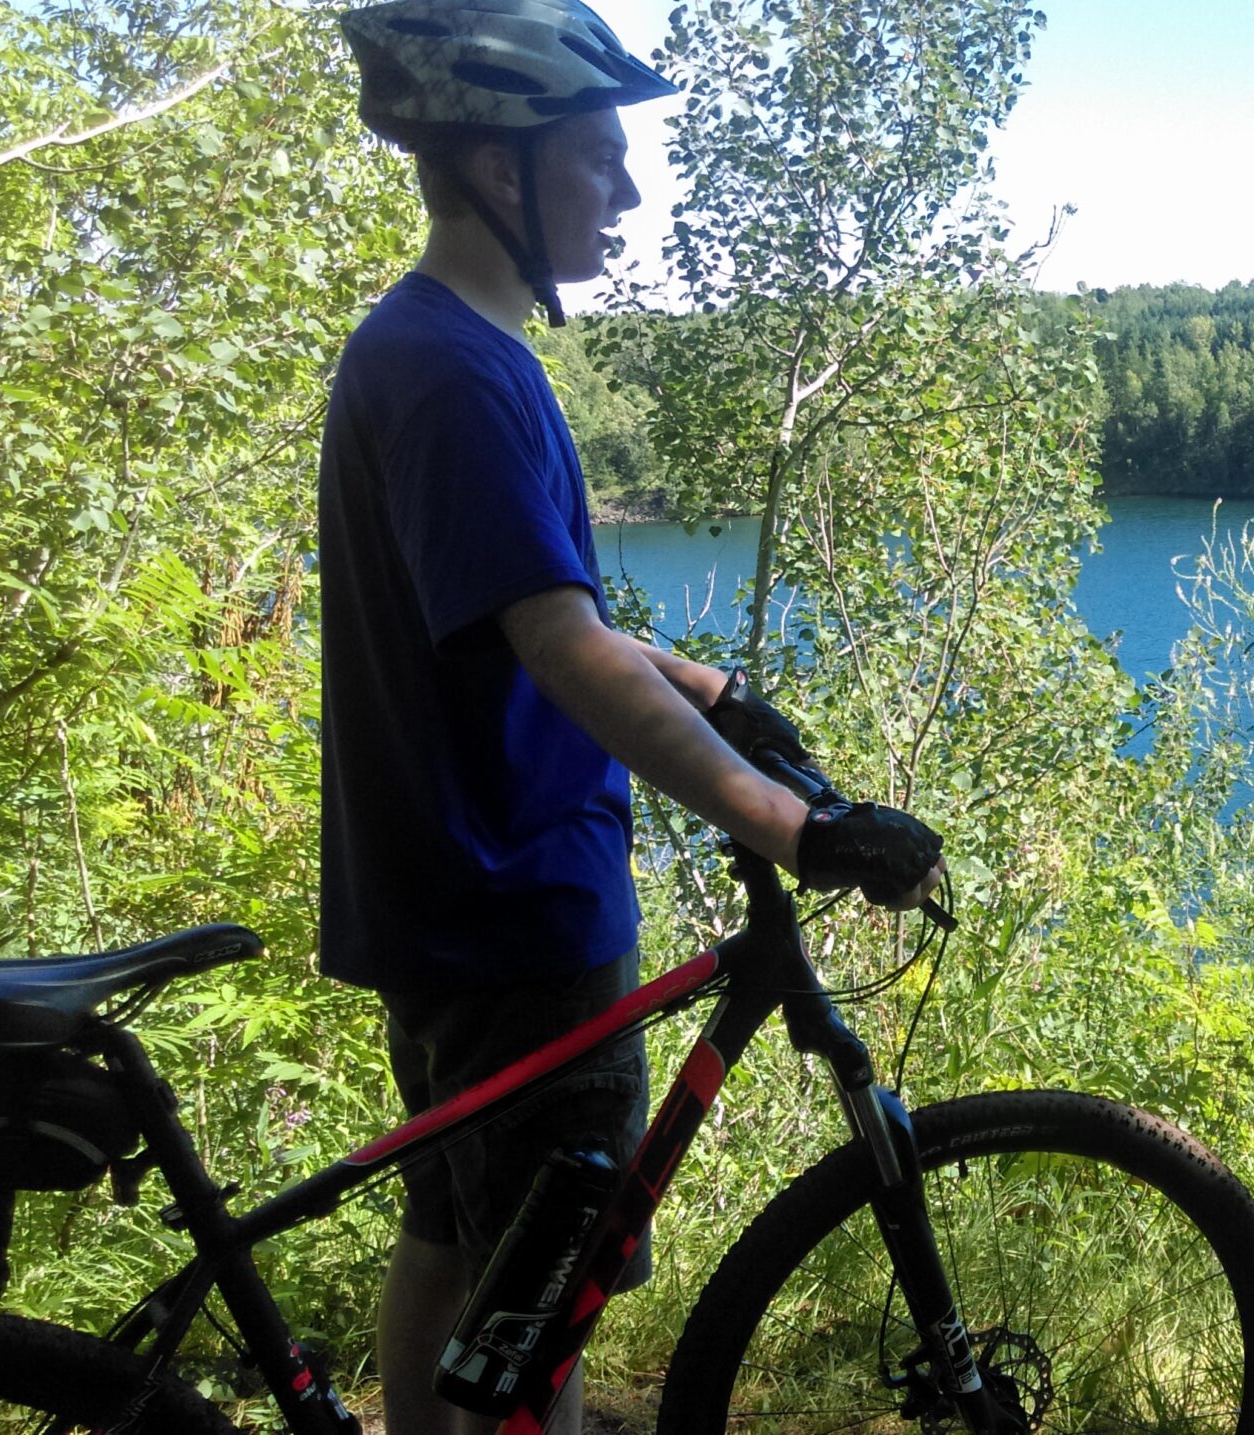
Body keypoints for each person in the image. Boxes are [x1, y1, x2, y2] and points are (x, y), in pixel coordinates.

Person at [319, 2, 944, 1429]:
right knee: (540, 1314)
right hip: (517, 912)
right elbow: (562, 652)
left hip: (438, 909)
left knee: (453, 1238)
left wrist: (717, 690)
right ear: (498, 167)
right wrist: (805, 828)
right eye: (600, 159)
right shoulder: (465, 378)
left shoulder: (422, 348)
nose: (632, 195)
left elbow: (542, 617)